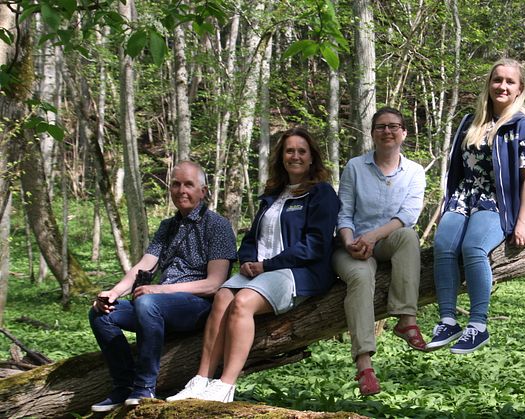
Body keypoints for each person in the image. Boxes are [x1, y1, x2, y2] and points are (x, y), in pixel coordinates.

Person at [166, 127, 340, 403]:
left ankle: (225, 385)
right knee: (223, 295)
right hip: (261, 269)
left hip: (297, 272)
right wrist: (248, 260)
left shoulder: (322, 193)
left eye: (301, 151)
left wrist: (267, 265)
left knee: (243, 302)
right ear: (282, 156)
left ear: (311, 158)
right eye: (289, 151)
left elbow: (316, 244)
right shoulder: (274, 193)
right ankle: (201, 380)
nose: (294, 156)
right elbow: (252, 236)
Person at [89, 161, 237, 412]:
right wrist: (113, 293)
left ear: (203, 191)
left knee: (147, 302)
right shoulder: (168, 226)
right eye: (176, 184)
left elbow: (215, 284)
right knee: (101, 314)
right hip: (158, 307)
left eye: (189, 184)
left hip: (197, 306)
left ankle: (145, 387)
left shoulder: (217, 226)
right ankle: (123, 386)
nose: (182, 190)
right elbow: (144, 265)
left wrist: (160, 290)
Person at [427, 58, 525, 355]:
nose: (502, 86)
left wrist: (522, 222)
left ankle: (477, 326)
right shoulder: (470, 122)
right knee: (443, 245)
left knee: (473, 248)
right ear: (489, 84)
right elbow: (455, 169)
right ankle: (448, 320)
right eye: (497, 80)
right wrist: (446, 204)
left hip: (499, 201)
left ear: (520, 89)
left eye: (509, 81)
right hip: (463, 197)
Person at [333, 107, 427, 396]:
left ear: (404, 133)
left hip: (384, 241)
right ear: (372, 133)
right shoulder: (355, 167)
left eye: (394, 126)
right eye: (381, 127)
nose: (387, 131)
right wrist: (349, 241)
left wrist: (372, 238)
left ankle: (406, 320)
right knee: (360, 278)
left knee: (408, 236)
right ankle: (364, 365)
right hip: (351, 246)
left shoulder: (413, 172)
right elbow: (344, 213)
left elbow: (408, 215)